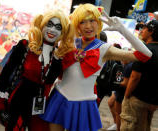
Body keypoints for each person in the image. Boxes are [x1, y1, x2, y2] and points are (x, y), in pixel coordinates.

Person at [40, 3, 152, 131]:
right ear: (77, 25)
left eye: (92, 20)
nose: (88, 26)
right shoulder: (69, 43)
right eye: (82, 22)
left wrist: (122, 29)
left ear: (98, 23)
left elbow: (146, 55)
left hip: (83, 104)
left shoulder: (104, 48)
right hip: (59, 97)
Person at [0, 9, 74, 131]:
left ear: (63, 32)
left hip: (41, 107)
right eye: (49, 25)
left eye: (58, 27)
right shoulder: (25, 46)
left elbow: (59, 79)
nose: (52, 30)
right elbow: (7, 72)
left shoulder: (59, 58)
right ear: (42, 25)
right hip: (19, 101)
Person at [120, 20, 158, 131]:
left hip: (137, 100)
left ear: (151, 31)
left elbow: (135, 77)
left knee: (129, 127)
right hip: (152, 103)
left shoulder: (144, 50)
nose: (141, 31)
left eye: (144, 28)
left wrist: (127, 96)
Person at [106, 43, 124, 131]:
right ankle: (116, 123)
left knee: (117, 108)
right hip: (116, 87)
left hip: (121, 87)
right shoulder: (112, 60)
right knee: (111, 103)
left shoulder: (119, 60)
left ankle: (118, 126)